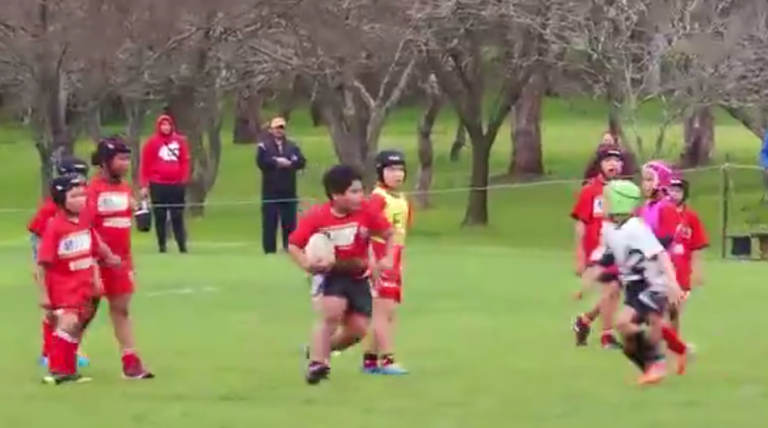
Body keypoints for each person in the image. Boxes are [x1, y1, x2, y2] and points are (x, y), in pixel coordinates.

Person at [287, 164, 394, 385]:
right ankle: (318, 364)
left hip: (359, 276)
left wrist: (388, 258)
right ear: (336, 195)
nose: (360, 196)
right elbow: (294, 245)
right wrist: (307, 264)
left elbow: (389, 234)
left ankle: (319, 349)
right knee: (332, 314)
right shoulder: (318, 217)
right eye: (353, 192)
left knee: (358, 330)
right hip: (331, 276)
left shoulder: (366, 212)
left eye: (361, 190)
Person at [583, 180, 684, 386]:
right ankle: (653, 367)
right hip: (633, 286)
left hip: (652, 284)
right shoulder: (613, 229)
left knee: (628, 322)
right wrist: (588, 281)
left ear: (620, 202)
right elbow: (608, 259)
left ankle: (658, 362)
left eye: (608, 199)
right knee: (628, 342)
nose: (604, 203)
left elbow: (661, 255)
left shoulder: (635, 228)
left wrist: (673, 283)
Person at [38, 174, 120, 385]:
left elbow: (95, 246)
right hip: (63, 286)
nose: (80, 200)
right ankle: (56, 369)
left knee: (75, 327)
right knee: (68, 323)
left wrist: (110, 258)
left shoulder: (84, 223)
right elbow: (43, 263)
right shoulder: (55, 227)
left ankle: (69, 370)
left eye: (82, 195)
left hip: (83, 285)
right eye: (74, 196)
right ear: (60, 199)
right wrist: (43, 293)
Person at [88, 136, 154, 379]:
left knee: (121, 309)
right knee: (84, 312)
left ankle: (130, 361)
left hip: (121, 261)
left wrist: (141, 212)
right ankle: (61, 356)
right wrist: (103, 253)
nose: (126, 164)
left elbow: (128, 217)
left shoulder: (125, 189)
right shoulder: (92, 191)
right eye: (121, 159)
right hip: (94, 261)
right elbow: (88, 226)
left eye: (128, 159)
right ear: (106, 162)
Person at [28, 157, 92, 369]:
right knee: (55, 307)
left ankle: (64, 351)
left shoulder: (79, 199)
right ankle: (50, 353)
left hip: (66, 248)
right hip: (46, 242)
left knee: (72, 308)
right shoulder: (54, 207)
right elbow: (42, 244)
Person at [638, 160, 692, 374]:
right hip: (647, 268)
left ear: (661, 182)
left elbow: (667, 241)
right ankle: (673, 353)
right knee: (655, 317)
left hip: (662, 269)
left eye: (651, 179)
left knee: (657, 316)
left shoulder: (666, 209)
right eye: (644, 179)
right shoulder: (645, 209)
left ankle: (659, 362)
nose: (645, 184)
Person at [362, 150, 411, 375]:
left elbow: (401, 232)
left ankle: (370, 360)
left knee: (388, 312)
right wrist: (374, 259)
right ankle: (388, 360)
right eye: (391, 170)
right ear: (381, 172)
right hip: (380, 255)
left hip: (395, 256)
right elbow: (367, 229)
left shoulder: (400, 198)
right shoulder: (377, 197)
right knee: (383, 310)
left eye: (400, 169)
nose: (397, 174)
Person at [571, 143, 624, 349]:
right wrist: (580, 255)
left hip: (619, 249)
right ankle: (607, 336)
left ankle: (584, 321)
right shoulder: (590, 190)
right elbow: (580, 224)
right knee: (610, 288)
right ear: (600, 164)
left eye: (617, 161)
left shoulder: (624, 191)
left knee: (614, 292)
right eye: (608, 161)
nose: (613, 165)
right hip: (598, 251)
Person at [139, 114, 191, 253]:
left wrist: (183, 179)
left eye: (168, 125)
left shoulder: (180, 141)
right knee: (160, 216)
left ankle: (182, 245)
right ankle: (162, 245)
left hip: (176, 184)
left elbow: (185, 161)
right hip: (158, 184)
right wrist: (144, 185)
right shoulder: (151, 143)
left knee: (177, 216)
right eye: (163, 125)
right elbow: (145, 165)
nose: (166, 127)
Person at [257, 117, 306, 254]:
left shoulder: (292, 146)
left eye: (282, 128)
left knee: (289, 223)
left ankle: (289, 248)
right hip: (270, 191)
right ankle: (269, 251)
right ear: (271, 130)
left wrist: (290, 164)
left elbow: (301, 162)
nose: (279, 130)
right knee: (270, 223)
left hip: (288, 191)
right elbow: (261, 162)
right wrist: (276, 162)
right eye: (277, 128)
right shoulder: (264, 146)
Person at [666, 177, 708, 338]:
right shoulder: (660, 212)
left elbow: (698, 246)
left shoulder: (691, 217)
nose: (674, 194)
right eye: (671, 190)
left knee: (675, 309)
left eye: (678, 191)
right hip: (662, 267)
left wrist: (697, 272)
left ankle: (673, 339)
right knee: (661, 307)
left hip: (682, 270)